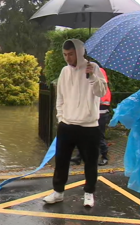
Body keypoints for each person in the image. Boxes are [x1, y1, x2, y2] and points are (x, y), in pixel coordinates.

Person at [43, 39, 107, 207]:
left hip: (89, 126)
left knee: (90, 162)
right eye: (65, 55)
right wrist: (61, 117)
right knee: (61, 161)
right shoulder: (64, 71)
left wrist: (92, 76)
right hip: (67, 124)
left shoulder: (93, 68)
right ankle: (58, 192)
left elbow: (101, 92)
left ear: (79, 52)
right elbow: (61, 96)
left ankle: (89, 193)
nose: (68, 58)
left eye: (71, 54)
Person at [71, 67, 112, 166]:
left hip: (100, 113)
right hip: (92, 112)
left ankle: (105, 156)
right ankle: (79, 156)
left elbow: (99, 98)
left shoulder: (101, 85)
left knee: (98, 136)